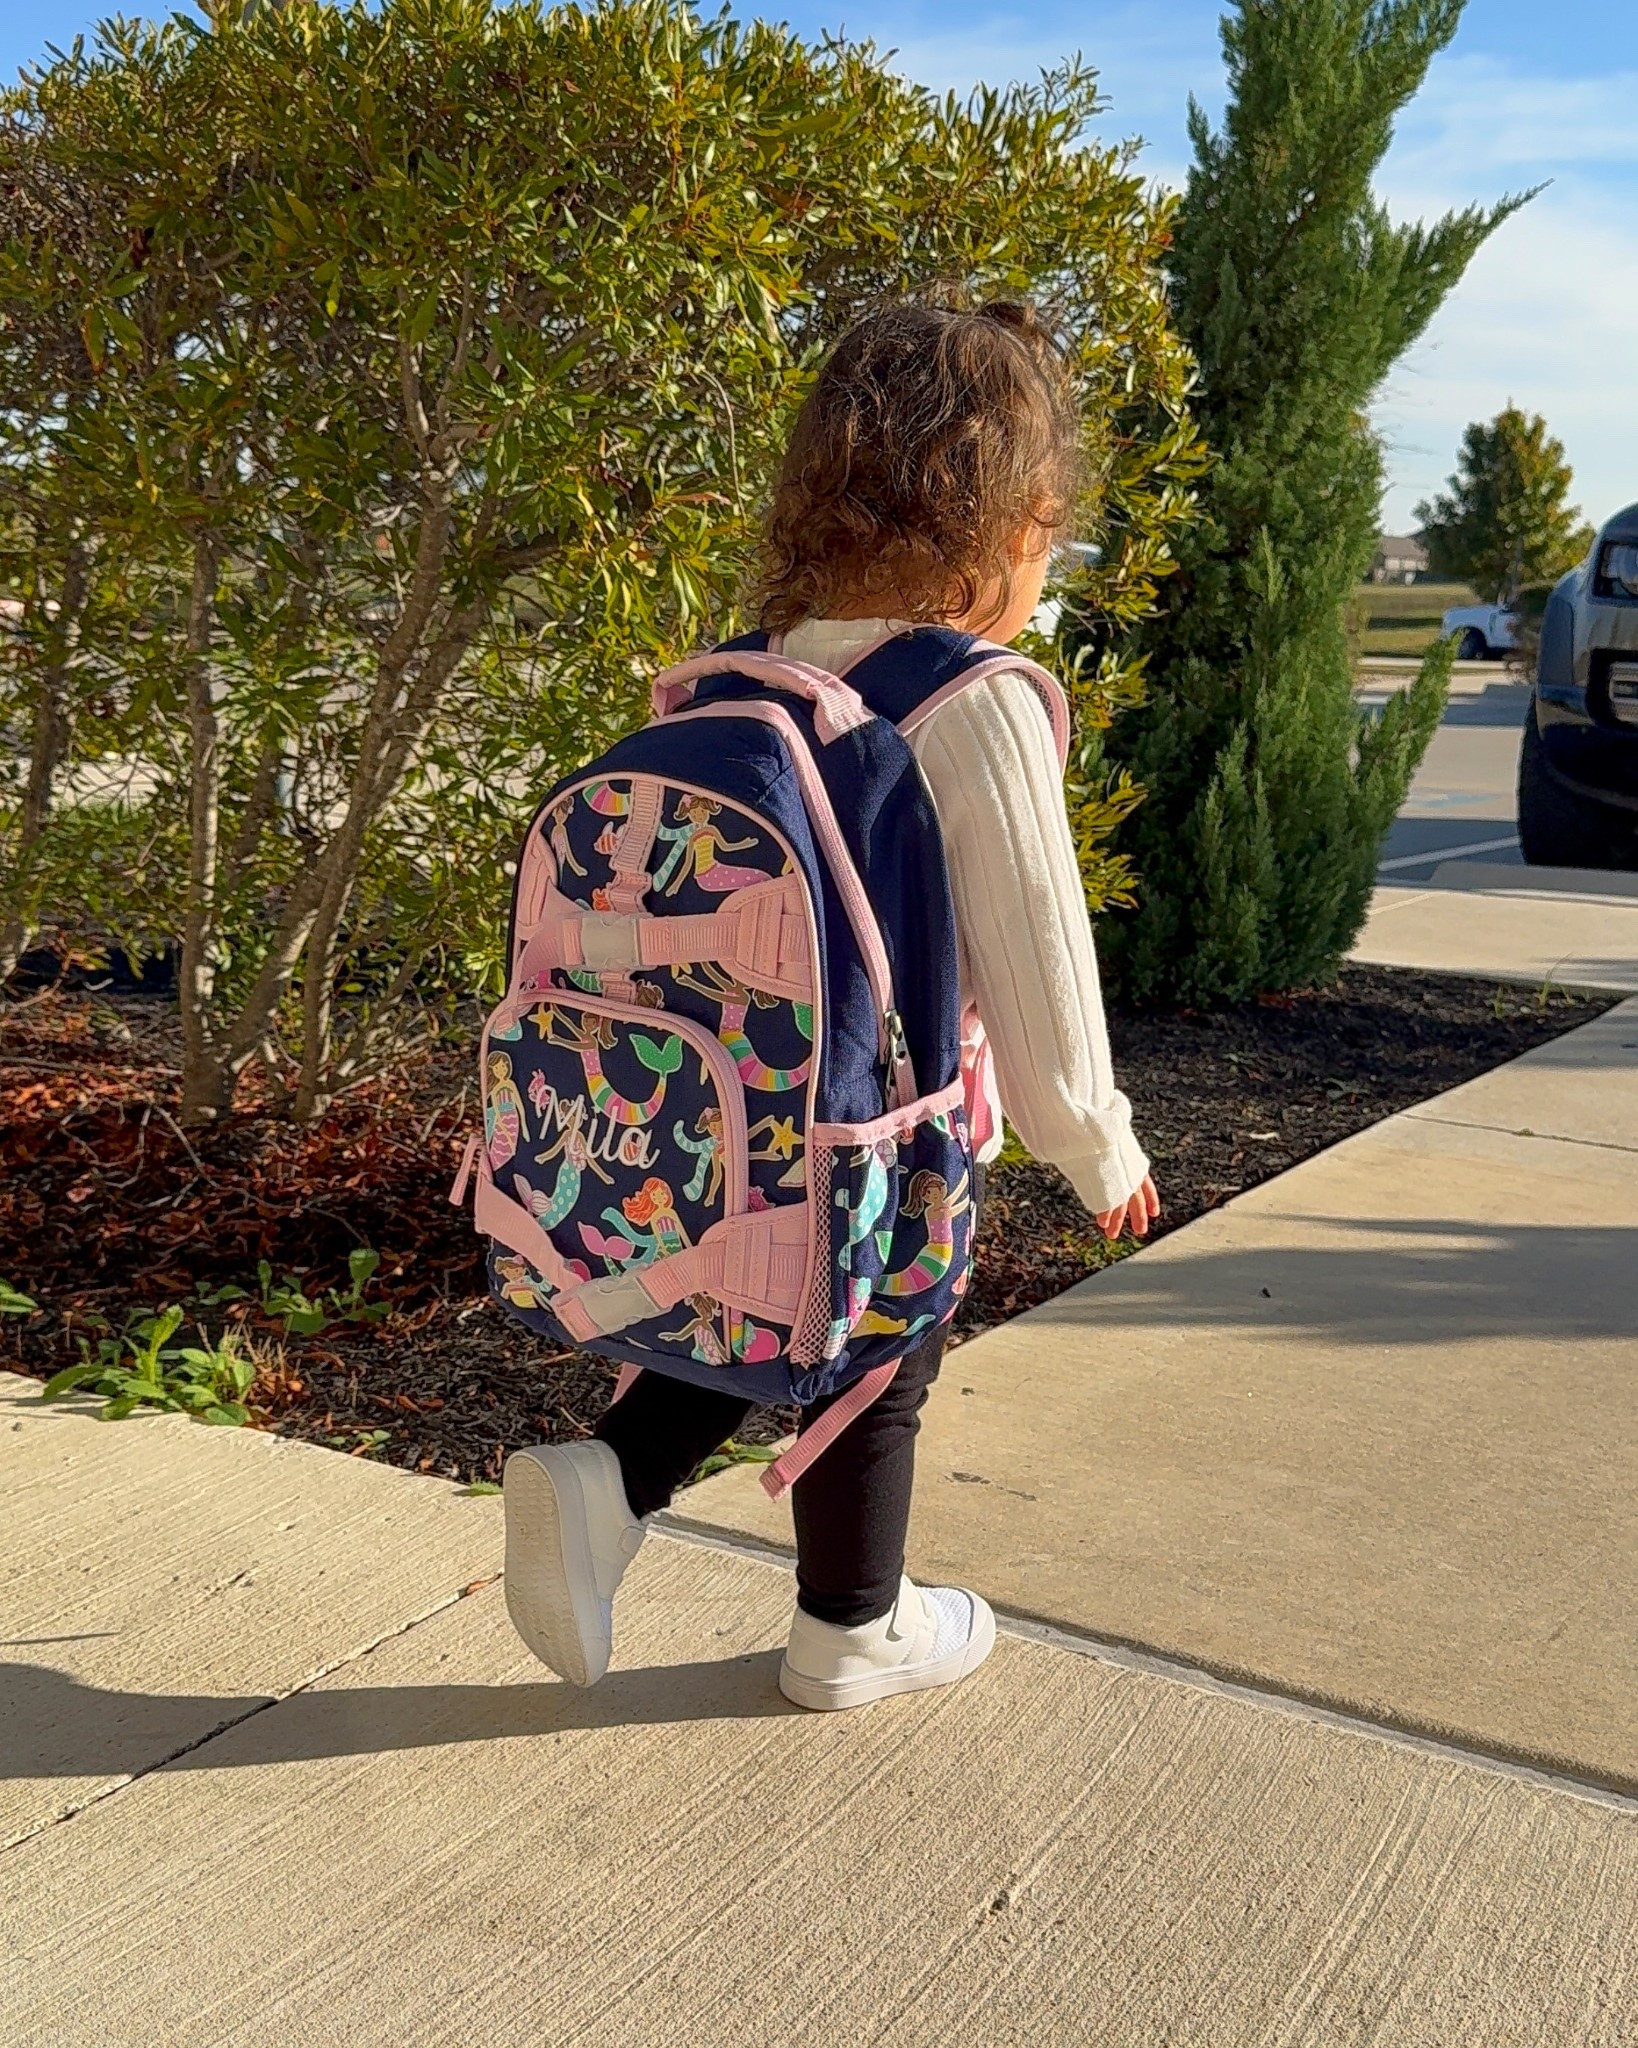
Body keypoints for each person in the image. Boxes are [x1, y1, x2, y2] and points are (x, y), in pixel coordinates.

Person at [503, 301, 1158, 1710]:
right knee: (879, 1345)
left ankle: (607, 1481)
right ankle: (847, 1630)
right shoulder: (967, 698)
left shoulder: (755, 668)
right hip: (879, 1130)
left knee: (766, 1305)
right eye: (1053, 531)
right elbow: (1041, 958)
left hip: (717, 1123)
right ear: (1015, 523)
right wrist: (1093, 1142)